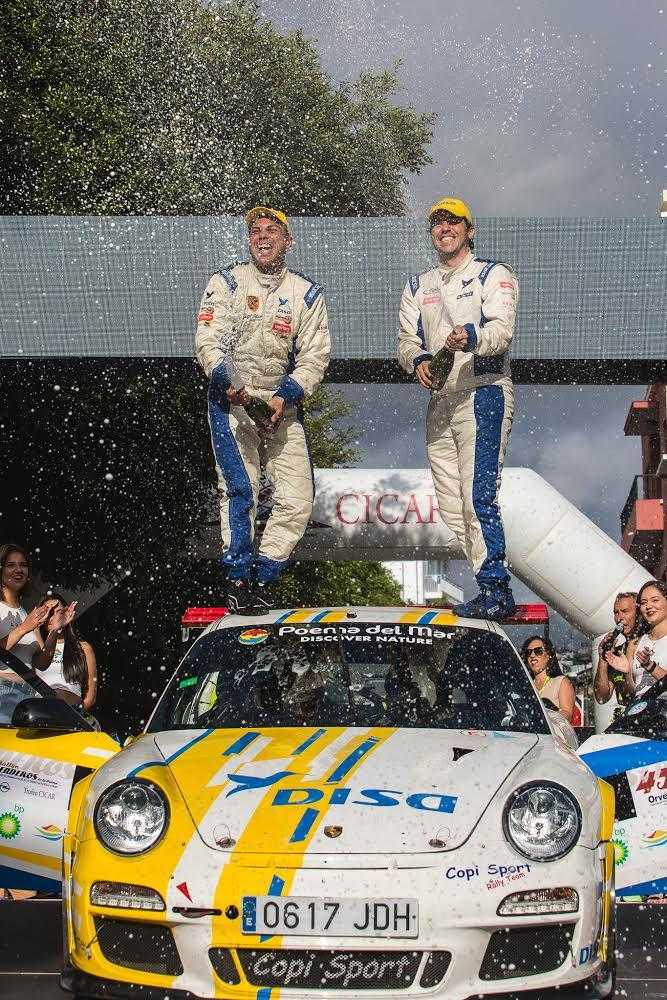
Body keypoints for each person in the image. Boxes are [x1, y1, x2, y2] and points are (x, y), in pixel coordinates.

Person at [195, 207, 330, 614]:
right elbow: (208, 340)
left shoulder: (307, 293)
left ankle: (263, 578)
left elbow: (315, 358)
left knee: (299, 499)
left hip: (280, 405)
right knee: (242, 489)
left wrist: (284, 397)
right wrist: (229, 380)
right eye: (255, 230)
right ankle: (237, 579)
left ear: (288, 241)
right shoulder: (227, 282)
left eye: (273, 230)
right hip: (232, 402)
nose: (263, 236)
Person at [398, 197, 518, 620]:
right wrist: (418, 361)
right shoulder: (418, 285)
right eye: (437, 222)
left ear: (470, 230)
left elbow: (501, 331)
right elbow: (406, 341)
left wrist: (470, 335)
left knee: (476, 496)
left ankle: (496, 588)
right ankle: (487, 582)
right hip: (440, 401)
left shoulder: (492, 273)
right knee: (452, 506)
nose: (444, 228)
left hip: (482, 392)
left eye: (454, 222)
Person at [0, 543, 76, 722]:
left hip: (28, 695)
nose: (18, 570)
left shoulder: (27, 613)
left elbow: (42, 663)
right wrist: (24, 628)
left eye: (23, 565)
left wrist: (55, 630)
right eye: (11, 565)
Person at [605, 580, 667, 699]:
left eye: (655, 600)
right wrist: (627, 672)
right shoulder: (634, 644)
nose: (648, 606)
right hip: (642, 709)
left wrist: (651, 667)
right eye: (644, 603)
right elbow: (633, 692)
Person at [36, 592, 97, 711]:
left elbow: (91, 696)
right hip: (39, 712)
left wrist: (75, 714)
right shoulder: (37, 646)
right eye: (49, 613)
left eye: (59, 612)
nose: (55, 618)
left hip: (70, 714)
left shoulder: (83, 648)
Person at [594, 591, 642, 713]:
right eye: (616, 612)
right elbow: (601, 697)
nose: (619, 618)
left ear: (639, 613)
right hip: (629, 718)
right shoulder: (616, 653)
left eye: (625, 611)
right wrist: (603, 658)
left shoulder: (650, 644)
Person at [521, 635, 575, 723]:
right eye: (528, 652)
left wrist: (544, 717)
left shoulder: (561, 682)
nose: (532, 655)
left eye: (538, 651)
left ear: (549, 655)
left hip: (552, 731)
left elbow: (567, 715)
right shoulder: (526, 685)